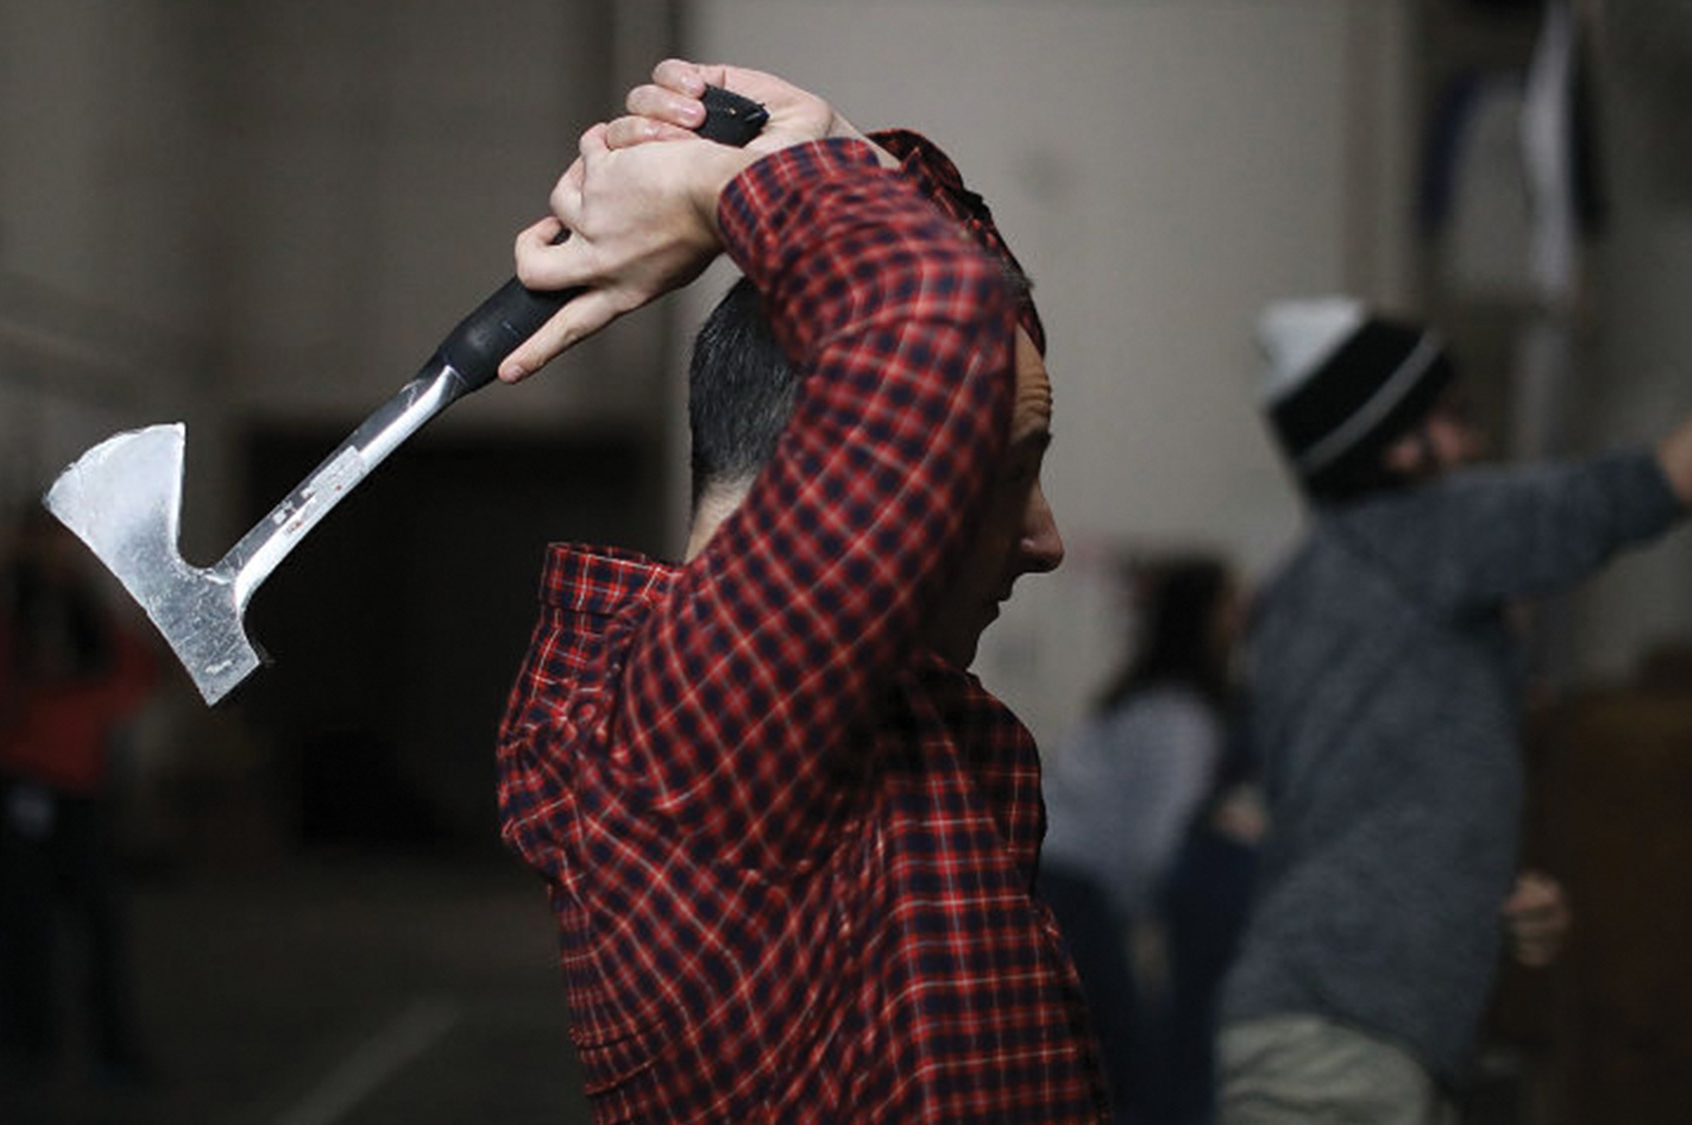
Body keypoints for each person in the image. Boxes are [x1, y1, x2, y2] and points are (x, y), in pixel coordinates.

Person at [492, 60, 1108, 1120]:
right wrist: (711, 191)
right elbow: (934, 318)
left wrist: (835, 150)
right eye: (1009, 476)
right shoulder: (698, 724)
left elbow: (967, 324)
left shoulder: (835, 711)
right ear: (839, 469)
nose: (1044, 542)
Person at [1217, 297, 1692, 1123]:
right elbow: (1631, 492)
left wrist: (1480, 895)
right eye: (1458, 415)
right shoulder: (1422, 531)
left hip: (1324, 1023)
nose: (1475, 443)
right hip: (1347, 1042)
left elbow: (1349, 813)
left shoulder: (1299, 592)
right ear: (1397, 443)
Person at [1037, 554, 1240, 1121]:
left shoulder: (1135, 702)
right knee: (1132, 1070)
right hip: (1075, 891)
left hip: (1052, 875)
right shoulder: (1183, 721)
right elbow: (1156, 848)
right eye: (1229, 606)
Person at [0, 506, 157, 1082]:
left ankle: (110, 1045)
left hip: (80, 785)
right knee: (27, 921)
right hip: (26, 782)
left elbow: (134, 672)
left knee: (100, 921)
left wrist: (87, 709)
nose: (55, 554)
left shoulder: (88, 613)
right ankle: (29, 1042)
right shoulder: (9, 614)